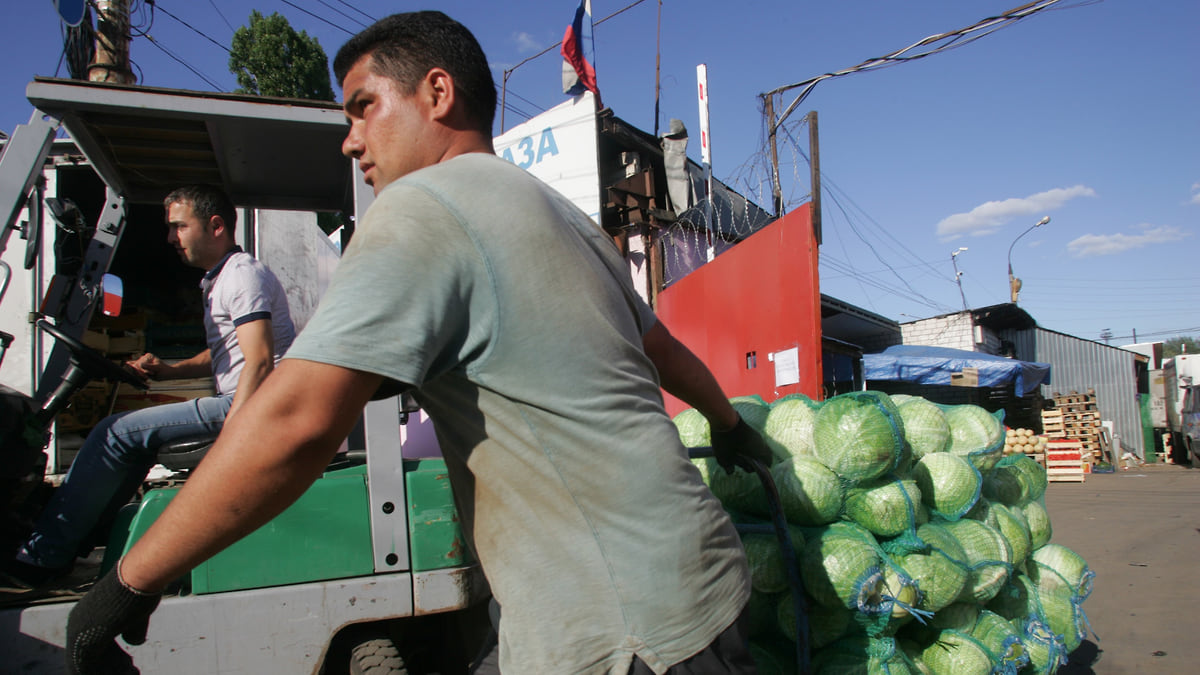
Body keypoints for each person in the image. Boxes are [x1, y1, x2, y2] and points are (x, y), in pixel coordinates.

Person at [65, 12, 773, 675]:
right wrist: (732, 427)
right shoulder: (564, 215)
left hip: (624, 632)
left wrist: (129, 581)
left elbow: (295, 422)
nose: (349, 139)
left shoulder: (423, 205)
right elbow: (665, 351)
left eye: (362, 106)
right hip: (705, 580)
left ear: (437, 93)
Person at [0, 184, 295, 589]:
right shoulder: (220, 279)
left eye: (178, 227)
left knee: (113, 433)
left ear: (215, 226)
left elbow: (259, 358)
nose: (171, 238)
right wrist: (168, 370)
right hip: (244, 402)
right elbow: (228, 351)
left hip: (255, 406)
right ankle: (77, 542)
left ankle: (42, 557)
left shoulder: (243, 276)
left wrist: (238, 428)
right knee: (130, 442)